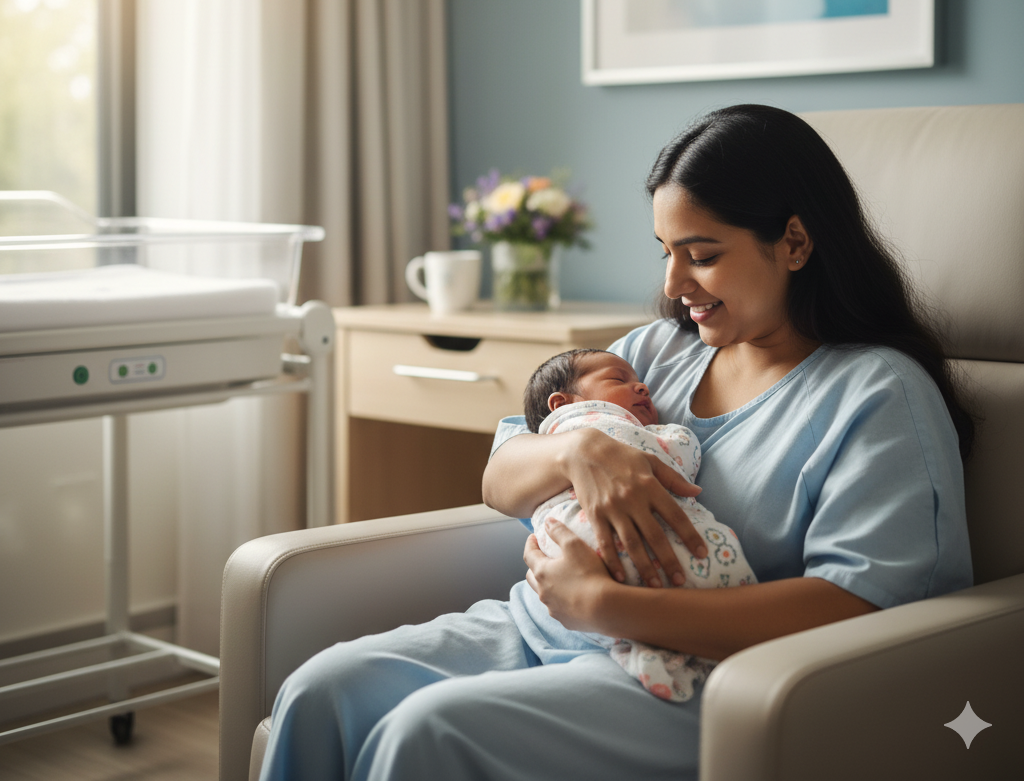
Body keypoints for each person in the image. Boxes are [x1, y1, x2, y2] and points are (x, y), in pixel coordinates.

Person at [259, 104, 973, 781]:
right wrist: (576, 452)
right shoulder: (657, 353)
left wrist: (604, 606)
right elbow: (501, 476)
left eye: (702, 254)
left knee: (427, 731)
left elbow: (857, 608)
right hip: (543, 627)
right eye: (666, 251)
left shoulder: (878, 394)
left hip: (704, 676)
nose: (673, 283)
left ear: (793, 242)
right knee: (321, 690)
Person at [524, 347, 757, 702]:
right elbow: (680, 456)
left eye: (639, 380)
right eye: (620, 380)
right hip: (544, 601)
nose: (643, 387)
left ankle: (638, 646)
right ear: (561, 403)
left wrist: (603, 602)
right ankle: (650, 653)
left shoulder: (544, 444)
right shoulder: (603, 418)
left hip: (574, 597)